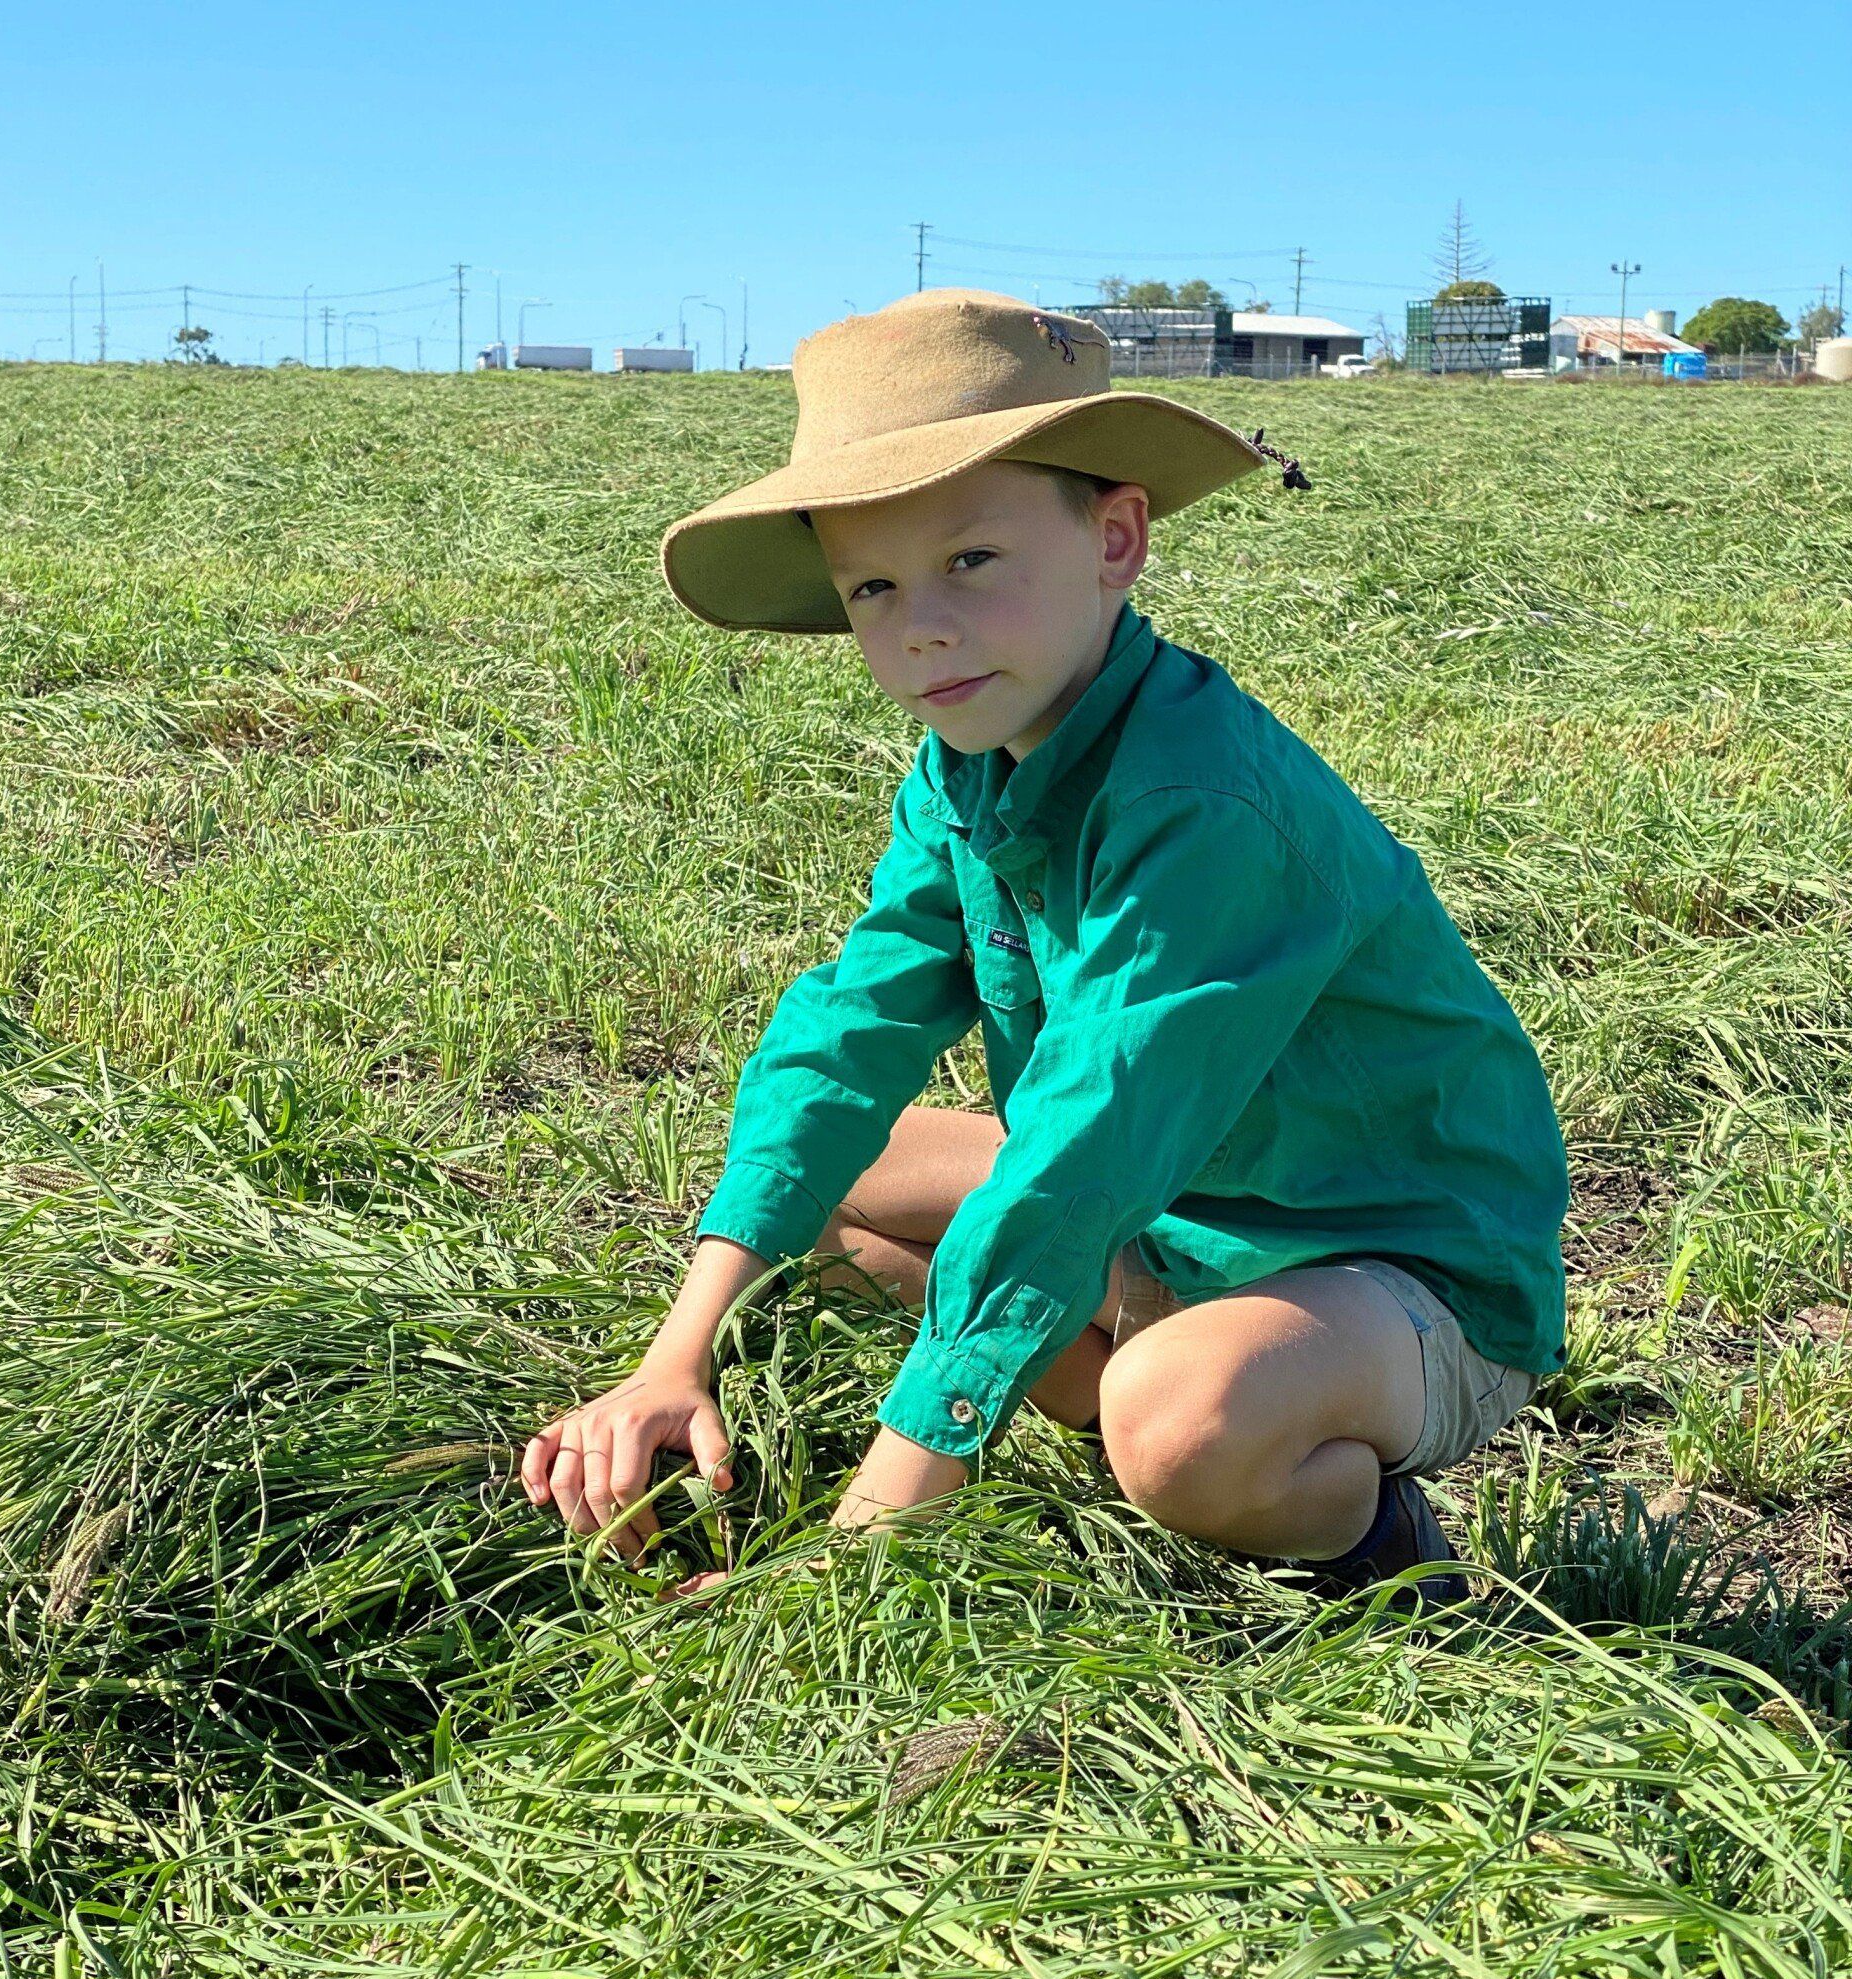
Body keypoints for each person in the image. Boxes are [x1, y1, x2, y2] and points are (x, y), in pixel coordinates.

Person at [521, 290, 1568, 1606]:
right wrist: (677, 1355)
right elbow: (849, 1032)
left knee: (1177, 1427)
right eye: (874, 588)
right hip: (1173, 1219)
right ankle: (1141, 1363)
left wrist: (863, 1545)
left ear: (1115, 538)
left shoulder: (1201, 802)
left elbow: (1091, 1136)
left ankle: (1369, 1548)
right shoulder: (967, 766)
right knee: (835, 1185)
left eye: (970, 562)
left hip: (1401, 1260)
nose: (922, 629)